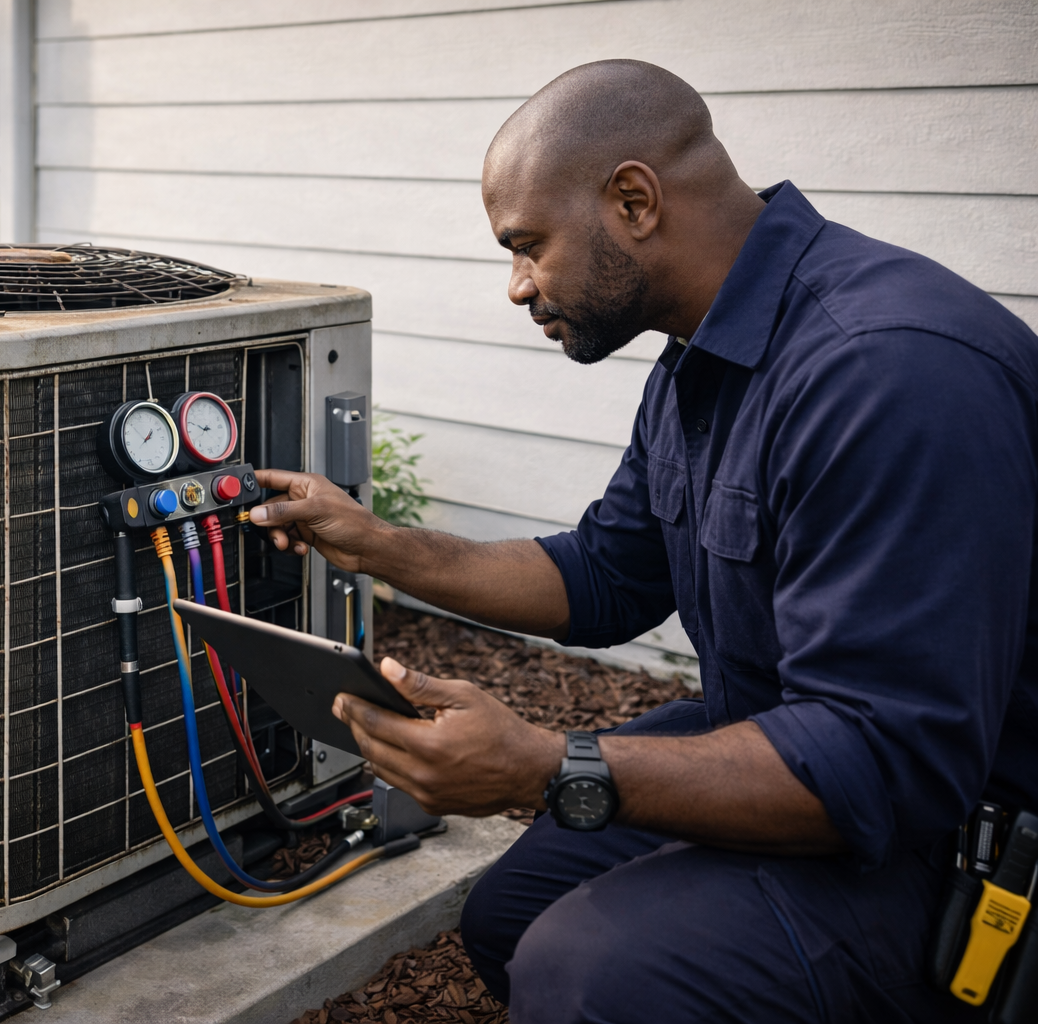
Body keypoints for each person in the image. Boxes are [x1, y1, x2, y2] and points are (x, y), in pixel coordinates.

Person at [250, 60, 1038, 1023]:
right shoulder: (701, 359)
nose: (517, 286)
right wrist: (377, 545)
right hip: (800, 747)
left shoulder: (888, 372)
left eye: (527, 245)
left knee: (589, 974)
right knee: (511, 916)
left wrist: (548, 765)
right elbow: (607, 575)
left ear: (633, 200)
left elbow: (883, 760)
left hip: (960, 846)